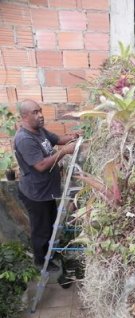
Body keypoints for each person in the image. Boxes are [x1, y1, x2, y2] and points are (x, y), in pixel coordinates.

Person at [14, 99, 79, 271]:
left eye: (40, 110)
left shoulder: (39, 130)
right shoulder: (24, 139)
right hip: (35, 194)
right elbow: (41, 166)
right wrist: (64, 152)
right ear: (25, 116)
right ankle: (41, 261)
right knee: (41, 229)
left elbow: (57, 139)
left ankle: (50, 252)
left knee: (50, 223)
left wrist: (73, 137)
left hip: (47, 191)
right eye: (35, 112)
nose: (40, 115)